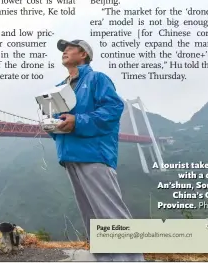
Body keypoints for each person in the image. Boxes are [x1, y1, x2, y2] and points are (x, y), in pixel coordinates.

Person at [50, 39, 144, 262]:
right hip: (70, 155)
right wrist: (52, 126)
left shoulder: (96, 79)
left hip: (94, 154)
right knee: (91, 216)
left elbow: (113, 109)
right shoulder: (59, 88)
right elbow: (61, 121)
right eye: (63, 49)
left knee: (110, 214)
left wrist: (78, 121)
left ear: (83, 54)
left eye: (70, 48)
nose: (65, 51)